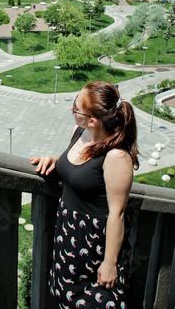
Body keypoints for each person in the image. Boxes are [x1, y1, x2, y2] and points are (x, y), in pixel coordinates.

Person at [30, 81, 138, 309]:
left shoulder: (116, 157)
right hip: (68, 236)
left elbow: (117, 213)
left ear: (93, 120)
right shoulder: (79, 132)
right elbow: (81, 171)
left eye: (76, 107)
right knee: (64, 297)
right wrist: (54, 160)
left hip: (94, 245)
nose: (71, 109)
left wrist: (109, 263)